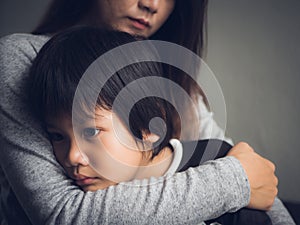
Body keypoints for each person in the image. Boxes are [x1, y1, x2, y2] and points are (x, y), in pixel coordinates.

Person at [0, 0, 281, 224]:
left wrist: (242, 179)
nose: (152, 4)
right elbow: (66, 214)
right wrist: (232, 182)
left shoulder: (173, 84)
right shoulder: (22, 58)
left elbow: (254, 175)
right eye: (56, 136)